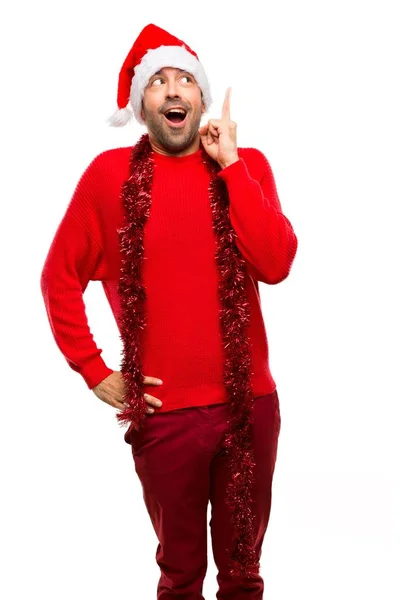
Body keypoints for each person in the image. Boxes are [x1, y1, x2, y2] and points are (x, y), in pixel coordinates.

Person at [40, 22, 298, 600]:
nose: (174, 90)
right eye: (158, 81)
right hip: (165, 417)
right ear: (141, 104)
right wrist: (93, 369)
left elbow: (276, 262)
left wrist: (230, 163)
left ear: (202, 99)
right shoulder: (109, 177)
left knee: (243, 574)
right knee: (180, 577)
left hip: (249, 406)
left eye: (186, 79)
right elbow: (59, 277)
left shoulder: (246, 165)